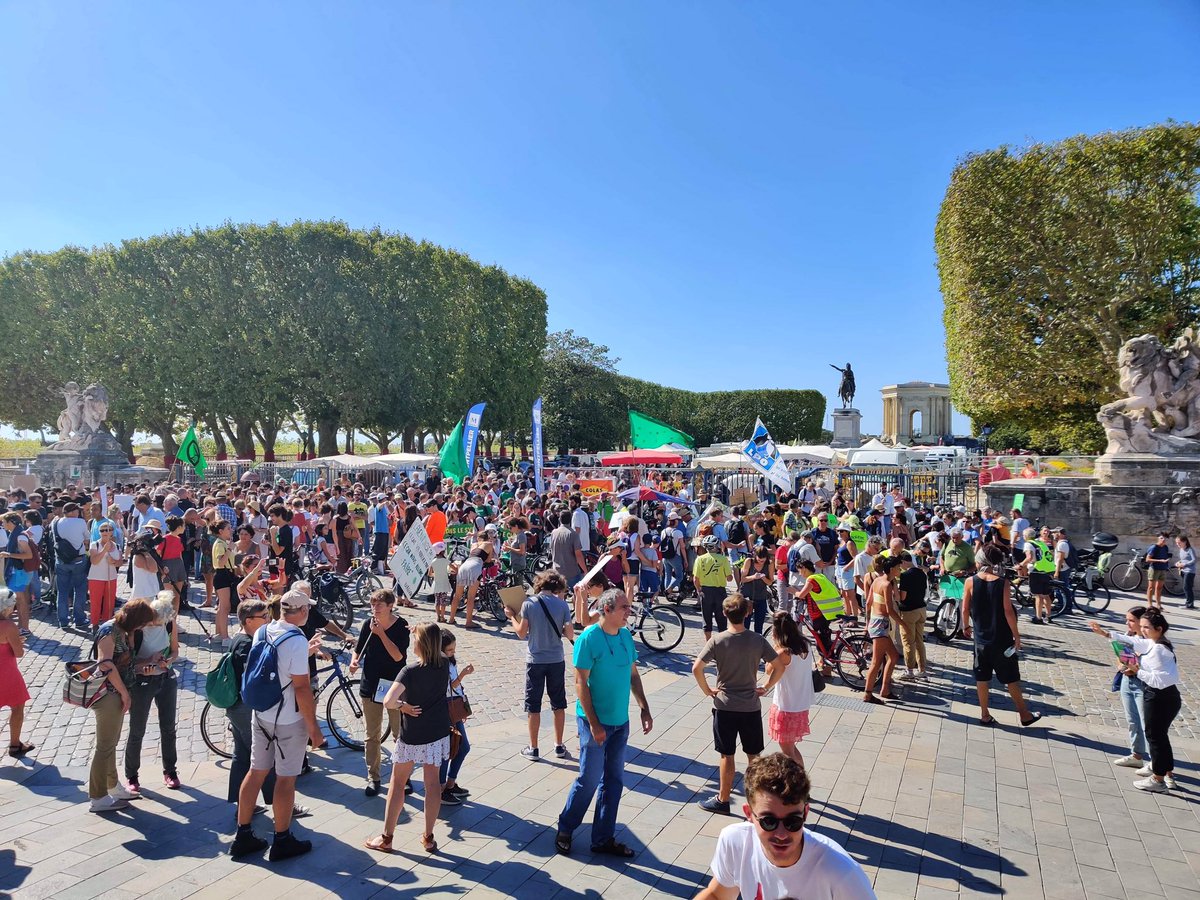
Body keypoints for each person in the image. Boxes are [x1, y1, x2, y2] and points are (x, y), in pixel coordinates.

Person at [555, 588, 653, 858]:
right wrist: (595, 725)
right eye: (623, 608)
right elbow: (580, 683)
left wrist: (644, 707)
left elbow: (633, 675)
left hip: (620, 722)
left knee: (614, 781)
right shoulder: (589, 638)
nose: (628, 612)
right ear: (606, 610)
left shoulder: (624, 636)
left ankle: (603, 838)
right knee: (588, 779)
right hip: (593, 722)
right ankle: (566, 828)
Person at [695, 753, 875, 899]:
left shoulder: (841, 873)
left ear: (805, 814)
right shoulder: (736, 842)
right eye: (769, 821)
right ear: (749, 814)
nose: (781, 834)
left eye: (792, 822)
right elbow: (717, 895)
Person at [231, 589, 326, 861]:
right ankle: (282, 839)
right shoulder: (296, 640)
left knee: (256, 771)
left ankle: (243, 834)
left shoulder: (264, 630)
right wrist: (314, 729)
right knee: (286, 779)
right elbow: (302, 688)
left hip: (261, 713)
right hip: (287, 719)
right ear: (304, 611)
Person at [365, 622, 453, 854]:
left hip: (413, 734)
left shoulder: (410, 672)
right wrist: (422, 630)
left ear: (421, 644)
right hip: (437, 731)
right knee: (432, 784)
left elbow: (388, 701)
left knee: (397, 783)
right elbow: (440, 645)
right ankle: (428, 837)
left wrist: (403, 706)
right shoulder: (445, 663)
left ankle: (387, 837)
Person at [693, 594, 783, 814]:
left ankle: (723, 800)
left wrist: (708, 691)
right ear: (747, 613)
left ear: (724, 614)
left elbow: (697, 668)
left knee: (727, 755)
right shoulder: (757, 640)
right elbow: (779, 665)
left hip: (724, 706)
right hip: (750, 706)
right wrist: (767, 686)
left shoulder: (717, 640)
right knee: (754, 756)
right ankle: (758, 803)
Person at [1090, 609, 1180, 792]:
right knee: (1159, 737)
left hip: (1160, 697)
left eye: (1147, 627)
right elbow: (1133, 641)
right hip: (1162, 696)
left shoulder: (1160, 651)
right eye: (1143, 626)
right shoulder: (1154, 643)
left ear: (1159, 628)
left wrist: (1136, 670)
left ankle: (1158, 779)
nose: (1143, 630)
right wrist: (1106, 633)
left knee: (1155, 738)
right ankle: (1165, 774)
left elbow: (1160, 680)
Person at [961, 544, 1041, 727]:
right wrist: (1017, 635)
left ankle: (984, 714)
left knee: (982, 677)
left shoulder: (970, 581)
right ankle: (1024, 714)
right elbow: (1008, 611)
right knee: (1011, 677)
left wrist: (966, 626)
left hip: (980, 638)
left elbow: (965, 608)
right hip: (1002, 638)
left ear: (980, 560)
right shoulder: (1003, 583)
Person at [89, 599, 154, 812]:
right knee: (105, 745)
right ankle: (98, 797)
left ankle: (112, 785)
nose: (142, 628)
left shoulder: (123, 631)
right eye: (141, 624)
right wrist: (125, 693)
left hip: (116, 693)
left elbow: (123, 662)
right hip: (108, 694)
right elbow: (105, 664)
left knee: (111, 742)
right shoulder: (110, 631)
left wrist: (144, 664)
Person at [504, 571, 576, 760]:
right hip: (556, 660)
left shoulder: (529, 604)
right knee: (558, 704)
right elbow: (570, 634)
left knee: (533, 705)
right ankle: (559, 746)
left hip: (535, 660)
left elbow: (521, 633)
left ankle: (533, 748)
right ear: (557, 587)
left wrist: (511, 616)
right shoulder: (562, 605)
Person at [349, 589, 410, 797]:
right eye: (373, 604)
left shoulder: (401, 626)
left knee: (399, 734)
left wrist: (381, 634)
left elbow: (397, 657)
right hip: (371, 683)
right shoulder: (368, 624)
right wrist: (354, 660)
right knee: (371, 735)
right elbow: (359, 648)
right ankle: (373, 777)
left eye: (379, 605)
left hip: (393, 686)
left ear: (390, 606)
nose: (375, 608)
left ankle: (403, 776)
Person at [122, 591, 181, 792]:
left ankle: (170, 770)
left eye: (161, 622)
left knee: (169, 727)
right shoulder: (137, 631)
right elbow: (128, 661)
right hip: (142, 682)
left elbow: (174, 651)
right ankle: (131, 775)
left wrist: (167, 661)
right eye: (155, 622)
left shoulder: (169, 624)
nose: (157, 625)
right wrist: (146, 663)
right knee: (137, 729)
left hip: (165, 678)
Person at [226, 598, 278, 813]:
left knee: (242, 756)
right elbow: (255, 677)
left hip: (236, 707)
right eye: (264, 616)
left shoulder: (239, 638)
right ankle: (280, 804)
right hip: (245, 708)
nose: (268, 619)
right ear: (248, 621)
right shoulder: (247, 644)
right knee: (264, 756)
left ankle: (241, 805)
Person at [765, 612, 813, 769]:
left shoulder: (783, 653)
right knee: (791, 748)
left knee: (787, 751)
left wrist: (774, 649)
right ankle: (802, 781)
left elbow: (768, 670)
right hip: (801, 704)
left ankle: (798, 785)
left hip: (786, 706)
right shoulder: (806, 645)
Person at [1108, 606, 1153, 774]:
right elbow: (1121, 658)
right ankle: (1137, 755)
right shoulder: (1128, 636)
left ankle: (1155, 762)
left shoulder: (1150, 641)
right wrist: (1122, 666)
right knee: (1132, 720)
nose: (1127, 623)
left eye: (1131, 620)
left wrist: (1137, 668)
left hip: (1143, 683)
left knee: (1147, 723)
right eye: (1127, 619)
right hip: (1127, 680)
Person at [438, 628, 474, 805]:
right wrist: (463, 675)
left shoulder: (450, 662)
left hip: (454, 707)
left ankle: (450, 784)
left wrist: (462, 707)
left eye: (454, 649)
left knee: (461, 747)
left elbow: (457, 689)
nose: (453, 652)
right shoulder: (440, 664)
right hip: (445, 708)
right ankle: (442, 788)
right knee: (450, 748)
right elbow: (449, 687)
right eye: (450, 650)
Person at [861, 555, 902, 704]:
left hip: (875, 622)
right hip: (881, 624)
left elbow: (868, 602)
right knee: (876, 661)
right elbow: (890, 611)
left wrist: (867, 622)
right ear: (892, 569)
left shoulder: (877, 580)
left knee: (893, 656)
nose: (900, 570)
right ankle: (868, 693)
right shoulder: (886, 584)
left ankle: (885, 689)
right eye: (898, 567)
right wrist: (903, 624)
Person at [0, 590, 33, 757]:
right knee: (17, 706)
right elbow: (18, 653)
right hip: (6, 673)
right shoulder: (8, 626)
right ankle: (14, 744)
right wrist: (17, 641)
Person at [52, 501, 91, 631]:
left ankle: (63, 620)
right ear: (73, 511)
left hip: (61, 560)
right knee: (79, 589)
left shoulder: (56, 522)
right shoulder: (80, 522)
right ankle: (79, 619)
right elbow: (87, 537)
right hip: (78, 560)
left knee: (62, 591)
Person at [0, 512, 37, 637]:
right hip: (19, 572)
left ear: (12, 522)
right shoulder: (15, 533)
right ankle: (22, 627)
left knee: (20, 600)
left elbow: (28, 555)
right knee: (22, 600)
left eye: (4, 522)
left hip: (19, 572)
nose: (3, 524)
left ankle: (24, 628)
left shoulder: (20, 536)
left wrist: (9, 554)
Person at [895, 550, 929, 681]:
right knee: (919, 640)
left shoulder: (905, 576)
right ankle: (922, 669)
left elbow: (903, 597)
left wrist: (896, 592)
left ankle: (909, 670)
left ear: (903, 562)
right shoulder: (922, 573)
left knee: (908, 642)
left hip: (909, 611)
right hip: (921, 609)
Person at [693, 536, 732, 642]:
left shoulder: (700, 559)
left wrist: (698, 590)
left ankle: (708, 644)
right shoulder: (723, 559)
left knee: (706, 618)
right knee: (722, 619)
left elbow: (696, 578)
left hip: (706, 590)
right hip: (720, 591)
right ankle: (723, 644)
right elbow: (729, 578)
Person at [740, 547, 774, 634]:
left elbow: (770, 582)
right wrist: (753, 577)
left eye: (763, 560)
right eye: (759, 559)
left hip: (761, 596)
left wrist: (763, 578)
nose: (761, 562)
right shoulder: (749, 561)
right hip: (747, 596)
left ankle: (757, 645)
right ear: (755, 556)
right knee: (745, 624)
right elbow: (743, 579)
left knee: (759, 625)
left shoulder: (769, 564)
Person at [548, 509, 586, 588]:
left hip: (557, 570)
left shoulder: (554, 533)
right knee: (577, 594)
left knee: (559, 596)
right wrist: (585, 571)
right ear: (571, 520)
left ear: (560, 519)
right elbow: (578, 555)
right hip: (571, 572)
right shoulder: (573, 534)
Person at [1144, 532, 1172, 610]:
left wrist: (1166, 560)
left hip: (1163, 569)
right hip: (1154, 569)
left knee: (1159, 588)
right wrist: (1160, 560)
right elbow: (1147, 559)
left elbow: (1165, 556)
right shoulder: (1154, 547)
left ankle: (1158, 605)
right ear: (1158, 538)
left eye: (1165, 539)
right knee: (1151, 588)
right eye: (1161, 538)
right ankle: (1150, 605)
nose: (1163, 540)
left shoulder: (1165, 547)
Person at [1176, 535, 1195, 610]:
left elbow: (1194, 560)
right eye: (1177, 543)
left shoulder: (1190, 549)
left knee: (1186, 587)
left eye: (1179, 543)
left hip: (1190, 571)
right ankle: (1189, 603)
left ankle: (1189, 605)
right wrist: (1178, 563)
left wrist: (1184, 564)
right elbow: (1183, 559)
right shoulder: (1181, 550)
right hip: (1183, 571)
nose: (1178, 544)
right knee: (1187, 588)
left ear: (1185, 542)